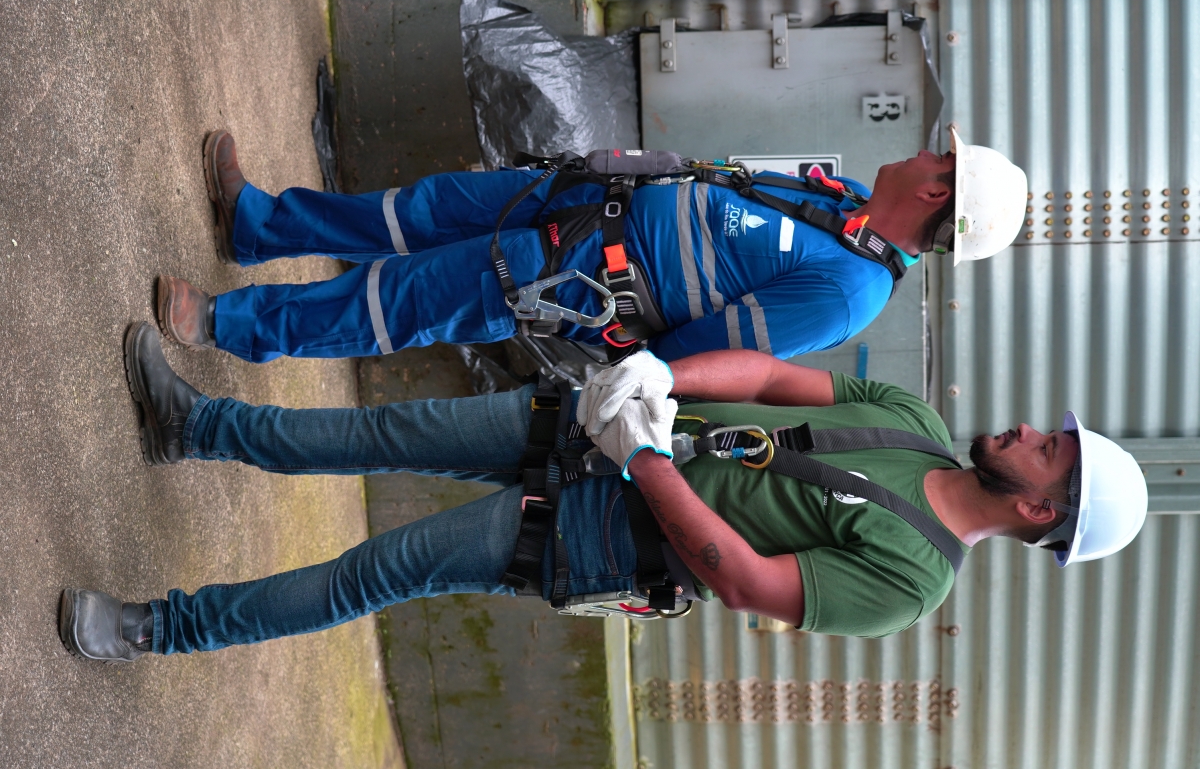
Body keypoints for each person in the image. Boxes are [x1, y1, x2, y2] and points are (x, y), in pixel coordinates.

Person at [59, 324, 1146, 662]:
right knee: (387, 430)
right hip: (605, 429)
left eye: (1049, 451)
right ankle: (197, 426)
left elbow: (743, 577)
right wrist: (667, 376)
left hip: (603, 525)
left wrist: (647, 460)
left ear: (1040, 511)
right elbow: (775, 379)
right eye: (1049, 429)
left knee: (376, 570)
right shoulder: (910, 422)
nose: (1028, 431)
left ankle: (161, 630)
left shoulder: (910, 584)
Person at [154, 129, 1028, 363]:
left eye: (940, 157)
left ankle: (231, 326)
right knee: (421, 209)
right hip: (585, 201)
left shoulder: (848, 292)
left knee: (408, 300)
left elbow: (698, 355)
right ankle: (262, 226)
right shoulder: (839, 202)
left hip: (580, 277)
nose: (926, 150)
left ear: (938, 192)